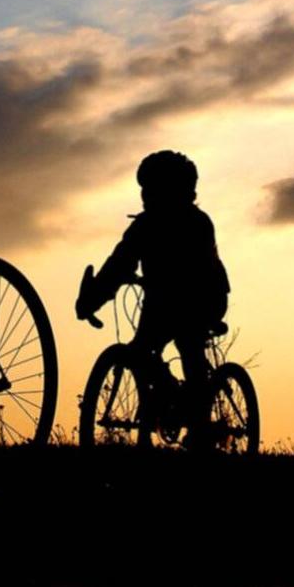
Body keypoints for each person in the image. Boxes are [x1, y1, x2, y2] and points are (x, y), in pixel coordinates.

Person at [75, 150, 229, 446]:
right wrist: (92, 299)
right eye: (144, 188)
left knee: (189, 343)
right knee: (139, 351)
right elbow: (118, 265)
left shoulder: (197, 223)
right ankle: (165, 398)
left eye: (153, 188)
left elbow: (199, 267)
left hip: (202, 297)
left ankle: (200, 428)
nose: (146, 195)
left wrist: (95, 298)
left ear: (179, 191)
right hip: (161, 299)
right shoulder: (143, 226)